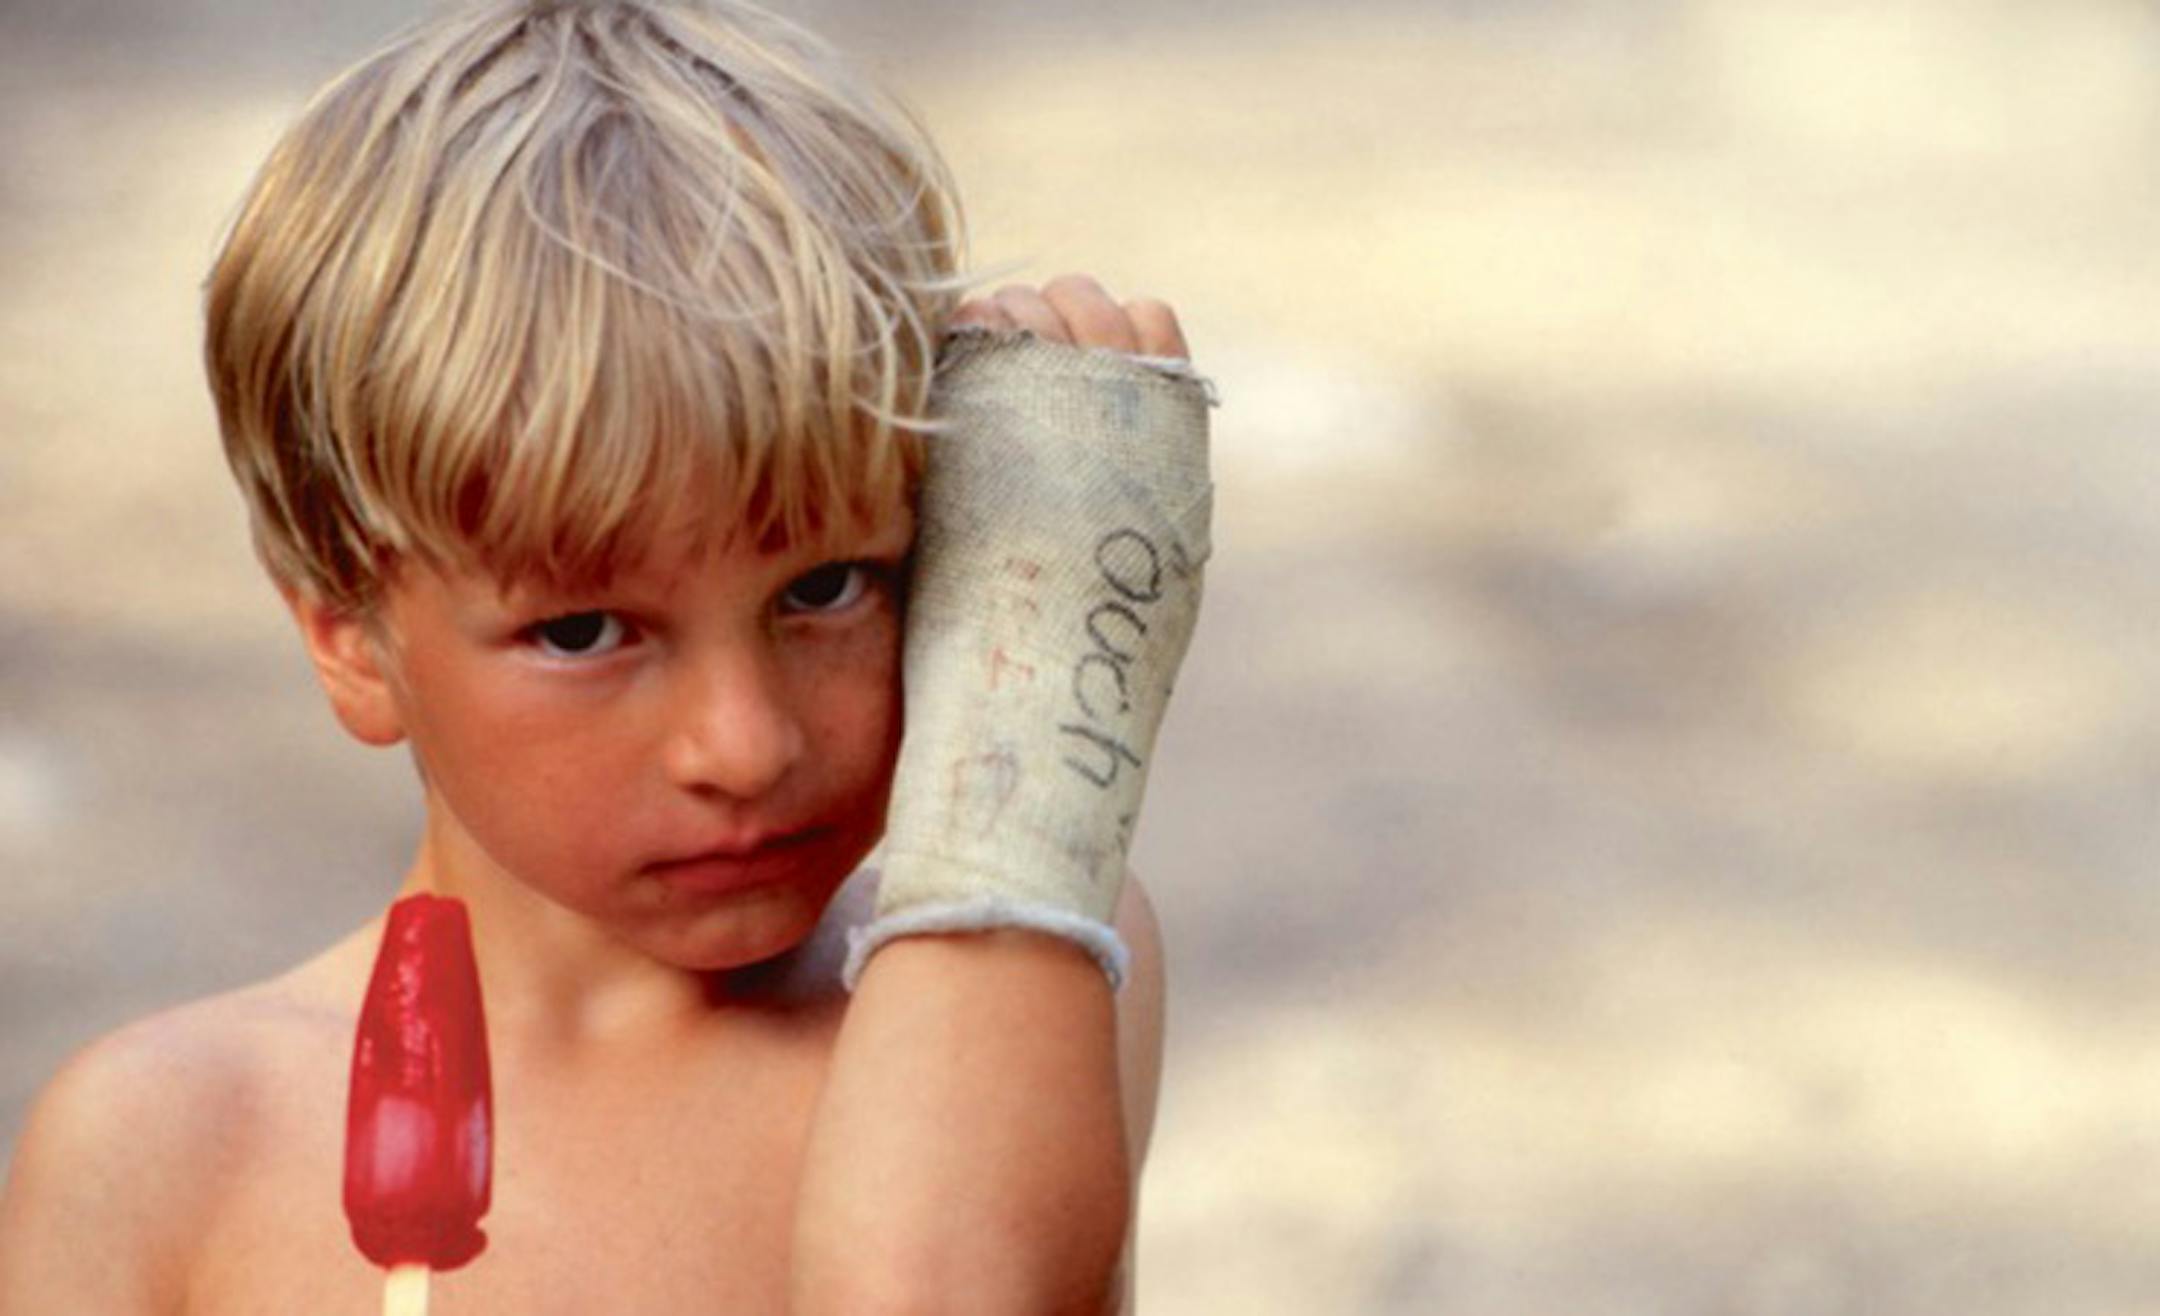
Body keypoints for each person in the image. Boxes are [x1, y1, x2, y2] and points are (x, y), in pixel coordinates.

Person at [0, 1, 1212, 1311]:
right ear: (348, 636)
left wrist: (1034, 694)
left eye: (825, 587)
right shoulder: (166, 1155)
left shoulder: (1004, 965)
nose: (744, 744)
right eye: (582, 631)